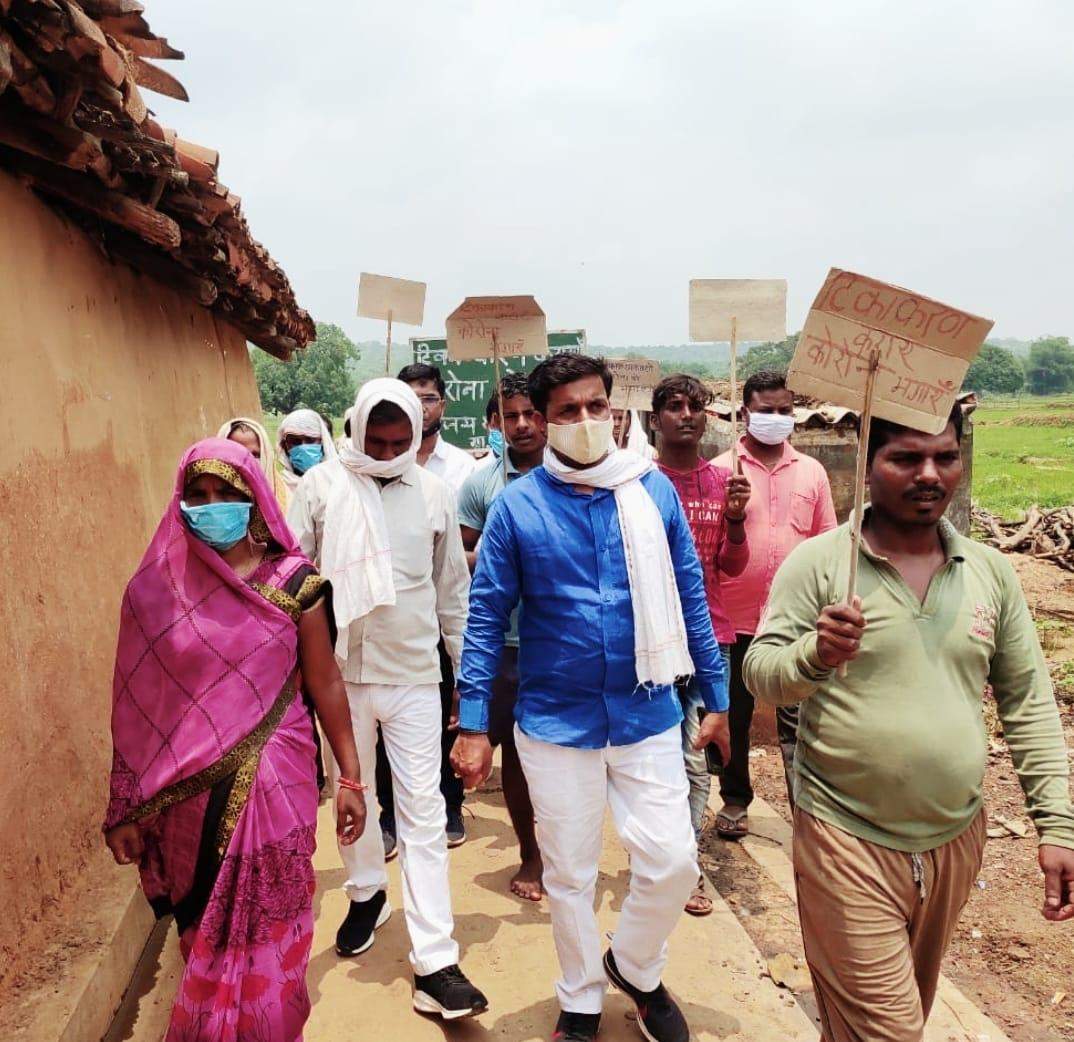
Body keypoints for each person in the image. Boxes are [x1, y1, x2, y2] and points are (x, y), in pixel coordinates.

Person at [744, 405, 1074, 1042]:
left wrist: (1056, 822)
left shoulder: (989, 571)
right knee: (891, 1030)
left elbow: (1028, 700)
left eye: (945, 457)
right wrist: (817, 654)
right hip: (845, 834)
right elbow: (761, 672)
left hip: (956, 838)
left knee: (898, 1014)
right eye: (906, 458)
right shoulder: (820, 566)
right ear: (868, 467)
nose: (929, 474)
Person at [452, 354, 731, 1042]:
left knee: (672, 862)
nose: (584, 421)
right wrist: (475, 723)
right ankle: (580, 998)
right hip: (554, 720)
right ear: (543, 422)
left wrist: (717, 693)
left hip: (645, 712)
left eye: (595, 407)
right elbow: (485, 618)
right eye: (568, 411)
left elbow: (690, 595)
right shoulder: (518, 507)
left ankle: (635, 967)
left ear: (615, 411)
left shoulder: (652, 492)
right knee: (570, 874)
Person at [104, 437, 365, 1042]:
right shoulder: (153, 593)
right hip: (187, 806)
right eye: (198, 495)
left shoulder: (294, 582)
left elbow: (325, 682)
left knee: (274, 942)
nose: (211, 504)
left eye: (228, 494)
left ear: (256, 502)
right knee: (204, 941)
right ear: (180, 502)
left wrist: (351, 777)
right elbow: (135, 712)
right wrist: (124, 807)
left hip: (279, 790)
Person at [288, 378, 487, 1020]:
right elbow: (295, 580)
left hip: (412, 675)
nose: (385, 452)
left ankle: (436, 960)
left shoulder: (433, 493)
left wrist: (467, 683)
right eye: (375, 441)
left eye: (399, 442)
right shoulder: (321, 486)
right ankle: (367, 889)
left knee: (422, 807)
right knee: (356, 795)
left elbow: (451, 593)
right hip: (340, 675)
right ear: (354, 430)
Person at [713, 370, 836, 838]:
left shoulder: (812, 471)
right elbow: (711, 544)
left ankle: (804, 808)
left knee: (799, 720)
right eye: (766, 411)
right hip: (736, 617)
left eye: (785, 411)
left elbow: (826, 540)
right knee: (736, 714)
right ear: (745, 413)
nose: (777, 418)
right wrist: (732, 514)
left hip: (796, 621)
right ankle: (735, 799)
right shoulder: (724, 469)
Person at [650, 374, 751, 916]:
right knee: (657, 758)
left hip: (712, 638)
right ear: (655, 419)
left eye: (697, 407)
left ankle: (685, 866)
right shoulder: (640, 484)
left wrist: (734, 521)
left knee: (693, 759)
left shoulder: (724, 484)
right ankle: (661, 856)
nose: (687, 415)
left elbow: (732, 567)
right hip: (654, 643)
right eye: (674, 406)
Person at [371, 363, 478, 857]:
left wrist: (464, 667)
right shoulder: (340, 486)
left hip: (426, 632)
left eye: (429, 397)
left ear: (442, 405)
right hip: (362, 644)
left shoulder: (455, 475)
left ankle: (448, 803)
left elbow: (452, 584)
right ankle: (387, 819)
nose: (390, 456)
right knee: (375, 743)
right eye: (412, 396)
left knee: (439, 725)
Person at [456, 371, 547, 900]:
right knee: (514, 751)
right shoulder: (481, 484)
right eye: (509, 416)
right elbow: (458, 559)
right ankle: (530, 854)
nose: (521, 425)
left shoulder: (572, 478)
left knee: (561, 754)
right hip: (508, 645)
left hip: (559, 643)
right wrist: (497, 555)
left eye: (530, 413)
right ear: (496, 422)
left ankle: (565, 851)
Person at [218, 416, 289, 511]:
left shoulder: (286, 498)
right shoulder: (212, 500)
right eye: (238, 454)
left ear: (266, 457)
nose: (248, 461)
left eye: (255, 455)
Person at [276, 408, 338, 509]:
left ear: (323, 443)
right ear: (284, 446)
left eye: (310, 440)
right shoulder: (276, 486)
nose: (303, 447)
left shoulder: (338, 483)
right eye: (295, 441)